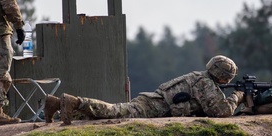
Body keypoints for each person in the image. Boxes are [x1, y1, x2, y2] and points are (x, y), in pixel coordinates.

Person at [44, 55, 245, 124]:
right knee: (113, 112)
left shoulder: (199, 77)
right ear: (222, 76)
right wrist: (238, 96)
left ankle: (57, 105)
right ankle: (74, 102)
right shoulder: (206, 84)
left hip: (151, 102)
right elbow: (222, 112)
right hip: (152, 107)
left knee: (105, 117)